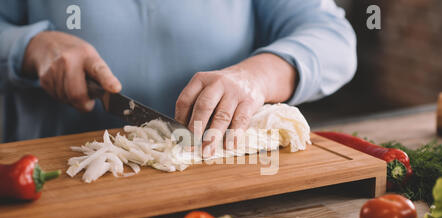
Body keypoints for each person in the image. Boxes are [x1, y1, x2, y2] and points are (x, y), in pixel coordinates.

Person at [0, 0, 356, 157]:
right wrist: (27, 46)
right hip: (56, 178)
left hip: (220, 180)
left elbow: (333, 37)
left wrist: (257, 76)